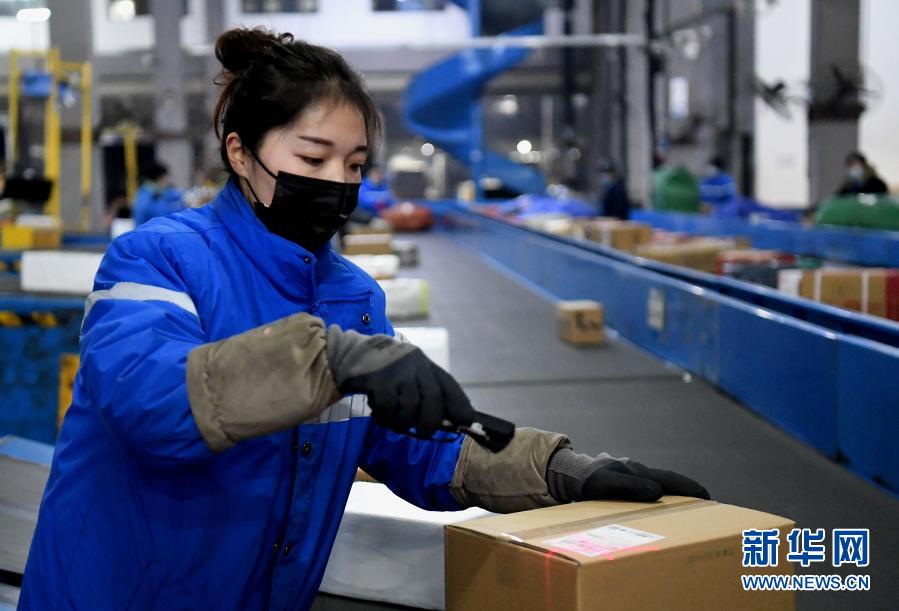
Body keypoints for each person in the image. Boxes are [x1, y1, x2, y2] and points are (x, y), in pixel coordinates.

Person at [19, 28, 708, 611]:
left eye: (353, 165)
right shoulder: (158, 259)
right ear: (240, 153)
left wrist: (557, 470)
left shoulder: (351, 295)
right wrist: (332, 359)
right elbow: (152, 402)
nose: (337, 183)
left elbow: (417, 445)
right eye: (312, 157)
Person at [132, 160, 187, 225]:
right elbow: (166, 217)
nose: (167, 182)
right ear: (160, 179)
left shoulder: (144, 193)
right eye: (166, 178)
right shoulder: (151, 198)